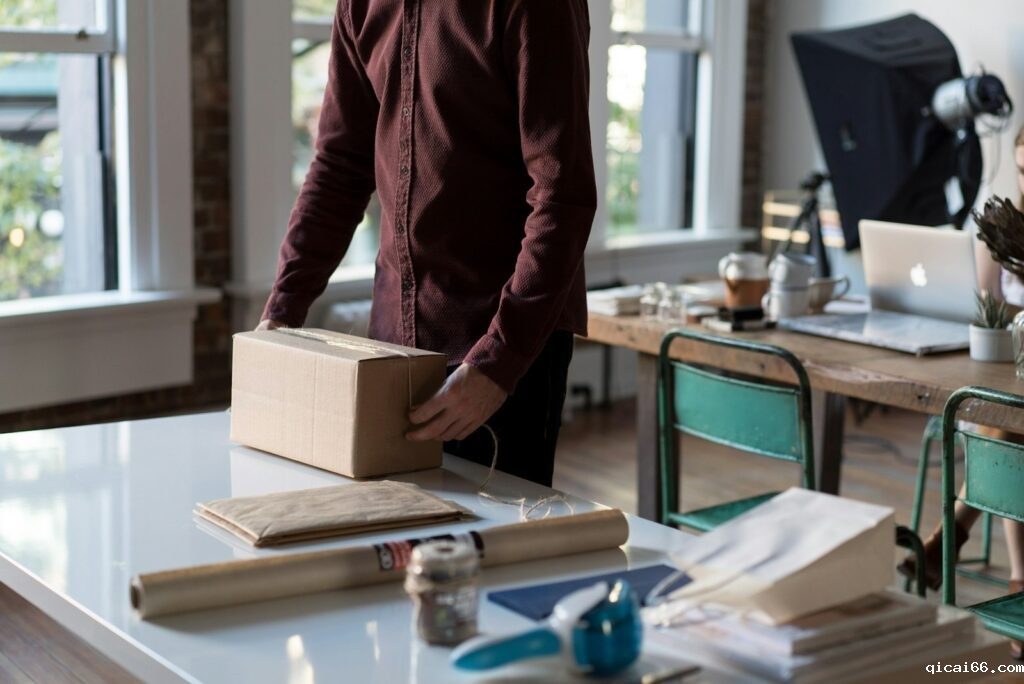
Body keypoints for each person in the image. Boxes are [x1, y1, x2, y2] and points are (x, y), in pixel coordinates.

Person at [257, 1, 596, 487]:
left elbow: (562, 197)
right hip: (391, 349)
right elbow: (339, 169)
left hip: (502, 345)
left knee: (495, 534)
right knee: (393, 528)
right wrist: (280, 314)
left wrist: (497, 363)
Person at [899, 125, 1024, 659]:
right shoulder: (1006, 228)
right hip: (1009, 374)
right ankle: (1018, 580)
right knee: (1006, 420)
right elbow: (989, 309)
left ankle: (949, 539)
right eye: (1023, 170)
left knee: (1006, 424)